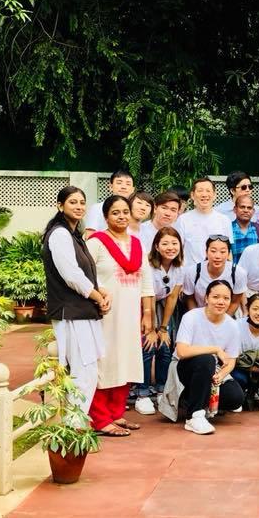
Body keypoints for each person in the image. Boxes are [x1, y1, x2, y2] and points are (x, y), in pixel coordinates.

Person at [86, 195, 154, 437]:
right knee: (105, 362)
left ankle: (115, 413)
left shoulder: (137, 244)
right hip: (104, 314)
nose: (122, 216)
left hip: (130, 314)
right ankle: (100, 418)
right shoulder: (96, 242)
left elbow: (146, 282)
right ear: (106, 217)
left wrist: (147, 314)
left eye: (125, 211)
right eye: (116, 212)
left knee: (127, 360)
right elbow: (85, 277)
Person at [41, 186, 107, 420]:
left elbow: (84, 274)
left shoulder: (74, 234)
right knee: (83, 370)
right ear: (60, 205)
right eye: (72, 202)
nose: (79, 206)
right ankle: (73, 425)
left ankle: (75, 422)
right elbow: (71, 275)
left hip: (82, 311)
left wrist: (100, 292)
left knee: (87, 369)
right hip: (72, 313)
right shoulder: (59, 234)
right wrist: (97, 296)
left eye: (82, 202)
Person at [171, 280, 244, 435]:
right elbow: (182, 351)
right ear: (206, 298)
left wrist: (221, 374)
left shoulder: (232, 325)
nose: (221, 302)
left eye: (226, 298)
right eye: (216, 297)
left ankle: (193, 399)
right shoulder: (191, 317)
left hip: (212, 370)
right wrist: (215, 349)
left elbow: (231, 360)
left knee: (235, 397)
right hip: (186, 367)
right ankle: (194, 416)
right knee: (206, 359)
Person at [132, 226, 184, 416]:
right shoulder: (148, 265)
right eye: (165, 243)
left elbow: (171, 298)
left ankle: (161, 390)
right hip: (143, 306)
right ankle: (142, 393)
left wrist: (163, 328)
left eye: (174, 243)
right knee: (147, 346)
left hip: (162, 308)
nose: (170, 247)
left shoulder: (179, 268)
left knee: (165, 347)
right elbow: (149, 296)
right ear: (156, 246)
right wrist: (152, 329)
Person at [182, 235, 248, 315]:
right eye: (213, 251)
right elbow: (190, 299)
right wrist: (197, 319)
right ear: (206, 252)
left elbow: (235, 302)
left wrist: (222, 322)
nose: (217, 256)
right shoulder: (192, 272)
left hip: (225, 315)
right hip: (199, 314)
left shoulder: (238, 273)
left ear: (228, 253)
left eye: (223, 252)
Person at [175, 177, 232, 267]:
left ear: (214, 195)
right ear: (192, 195)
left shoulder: (224, 220)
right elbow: (177, 250)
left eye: (208, 191)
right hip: (190, 274)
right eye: (200, 191)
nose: (204, 194)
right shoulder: (183, 220)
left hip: (217, 274)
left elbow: (228, 252)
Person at [84, 169, 135, 234]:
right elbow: (90, 235)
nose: (123, 187)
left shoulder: (135, 210)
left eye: (128, 184)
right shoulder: (97, 208)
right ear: (110, 187)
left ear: (133, 189)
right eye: (119, 183)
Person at [230, 194, 259, 264]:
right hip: (234, 273)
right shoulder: (228, 229)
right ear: (235, 209)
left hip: (254, 274)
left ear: (253, 211)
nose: (246, 210)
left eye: (249, 208)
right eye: (242, 207)